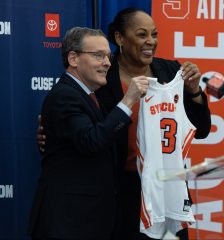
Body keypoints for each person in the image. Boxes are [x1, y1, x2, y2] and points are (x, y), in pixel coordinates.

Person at [37, 8, 211, 240]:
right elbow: (85, 130)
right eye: (141, 34)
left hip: (165, 190)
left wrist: (194, 91)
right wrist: (50, 132)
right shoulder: (100, 77)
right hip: (121, 191)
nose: (151, 41)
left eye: (155, 34)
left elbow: (201, 129)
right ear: (120, 39)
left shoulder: (170, 72)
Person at [29, 26, 149, 240]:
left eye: (108, 56)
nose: (107, 63)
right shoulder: (65, 96)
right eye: (98, 56)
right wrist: (128, 100)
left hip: (89, 221)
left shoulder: (90, 96)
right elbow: (91, 140)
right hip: (69, 223)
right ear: (73, 59)